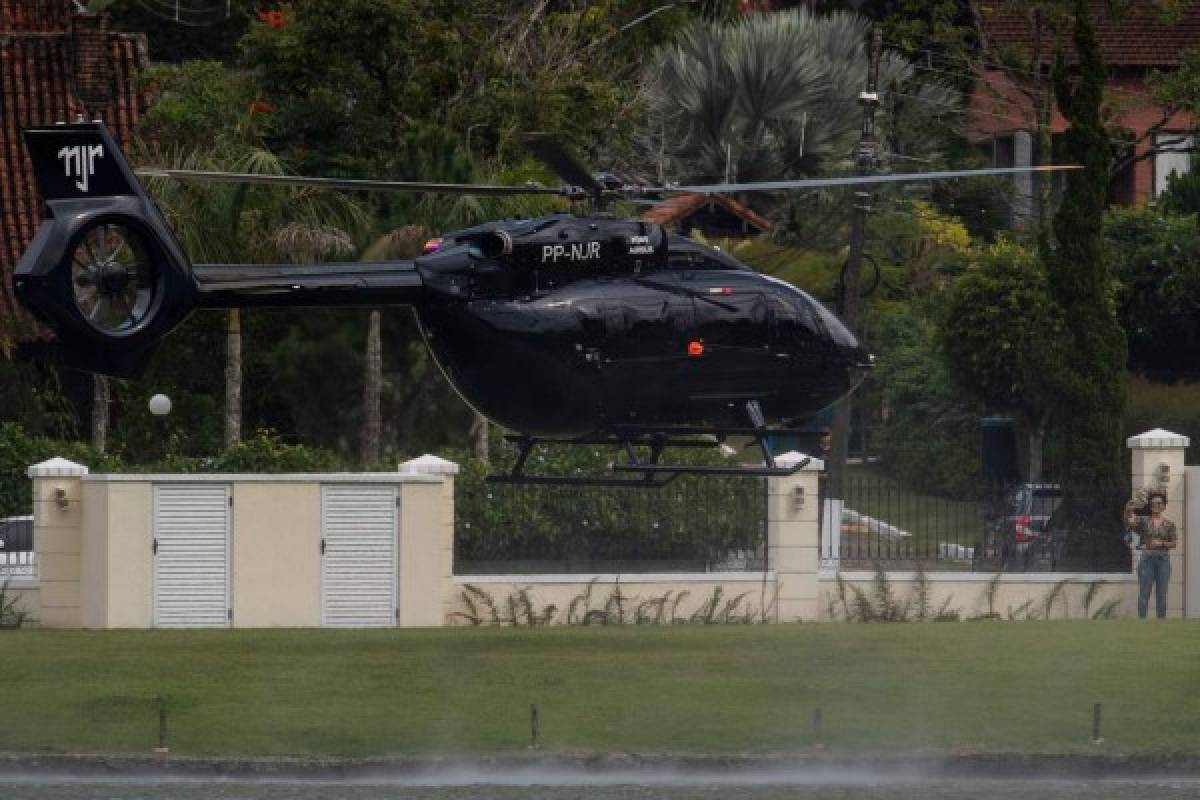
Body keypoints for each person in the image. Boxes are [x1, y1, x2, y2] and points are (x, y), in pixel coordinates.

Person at [1125, 489, 1177, 619]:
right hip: (1147, 560)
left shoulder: (1169, 524)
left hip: (1163, 561)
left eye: (1159, 503)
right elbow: (1129, 522)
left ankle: (1161, 625)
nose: (1156, 506)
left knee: (1162, 596)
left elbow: (1174, 543)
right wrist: (1128, 509)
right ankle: (1142, 625)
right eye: (1153, 503)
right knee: (1144, 594)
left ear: (1164, 506)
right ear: (1150, 505)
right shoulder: (1143, 521)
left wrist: (1161, 544)